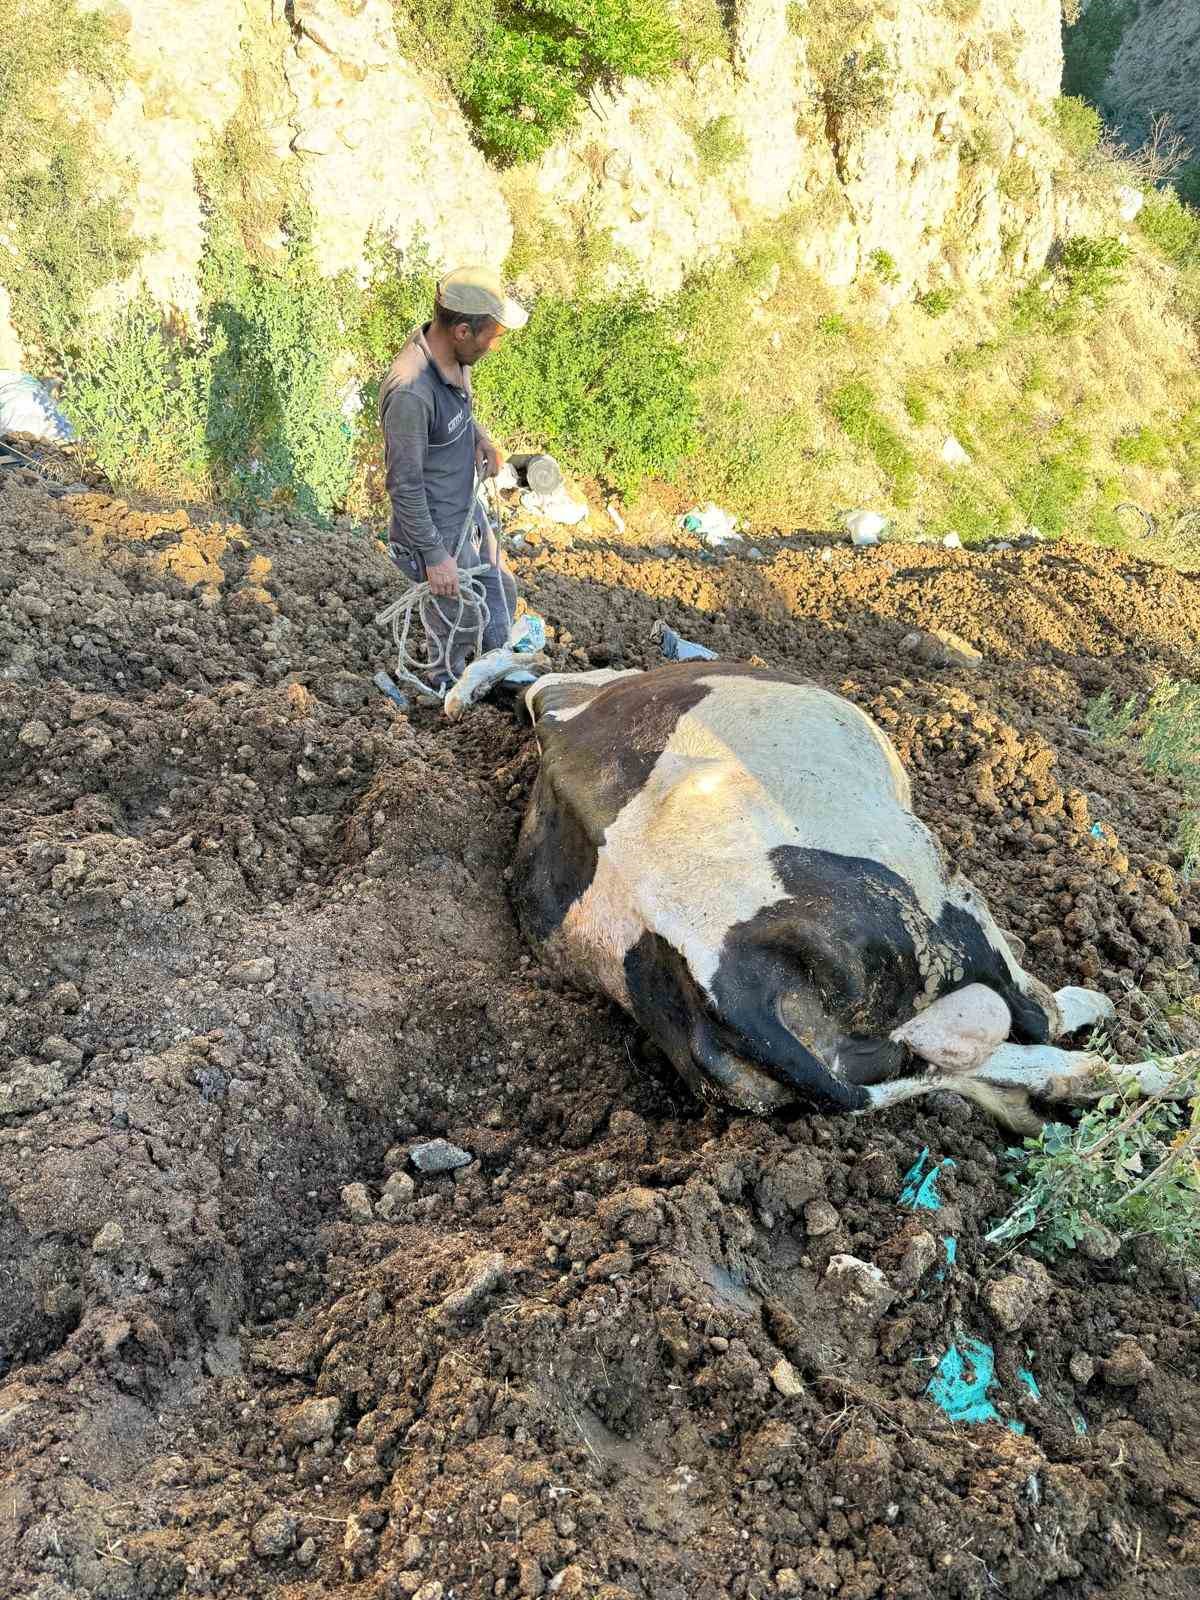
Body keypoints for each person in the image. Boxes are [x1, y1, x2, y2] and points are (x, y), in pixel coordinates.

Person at [379, 265, 529, 694]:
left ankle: (498, 674)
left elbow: (456, 409)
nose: (495, 346)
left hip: (464, 513)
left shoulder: (449, 354)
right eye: (493, 337)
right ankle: (451, 694)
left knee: (499, 588)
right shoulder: (411, 391)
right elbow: (403, 485)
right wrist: (435, 556)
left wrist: (479, 437)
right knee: (457, 623)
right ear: (463, 330)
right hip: (437, 533)